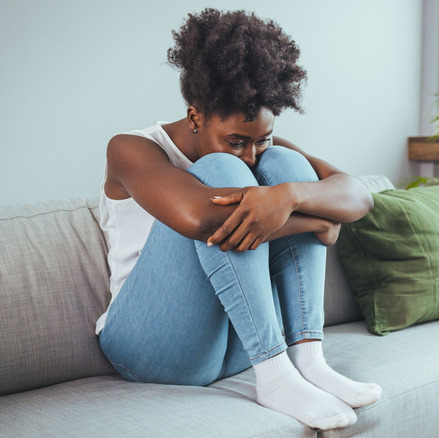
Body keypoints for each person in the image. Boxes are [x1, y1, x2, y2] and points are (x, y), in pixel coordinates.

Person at [95, 8, 381, 431]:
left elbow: (357, 195)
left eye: (259, 139)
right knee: (220, 174)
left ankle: (307, 358)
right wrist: (314, 221)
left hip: (231, 344)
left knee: (288, 164)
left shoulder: (260, 144)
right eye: (236, 141)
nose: (250, 155)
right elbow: (202, 220)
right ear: (195, 116)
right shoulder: (130, 149)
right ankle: (275, 375)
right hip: (149, 346)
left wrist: (290, 194)